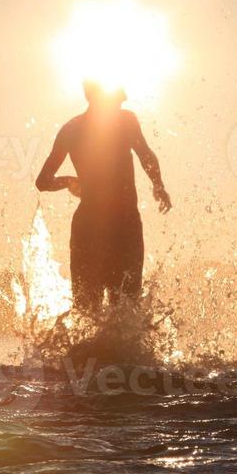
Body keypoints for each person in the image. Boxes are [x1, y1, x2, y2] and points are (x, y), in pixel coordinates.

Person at [36, 82, 172, 313]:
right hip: (121, 223)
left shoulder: (71, 129)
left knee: (93, 309)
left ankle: (94, 349)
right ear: (98, 98)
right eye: (117, 100)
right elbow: (146, 156)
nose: (121, 104)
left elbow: (44, 181)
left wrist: (68, 181)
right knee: (123, 307)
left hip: (93, 225)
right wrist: (158, 186)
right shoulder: (125, 121)